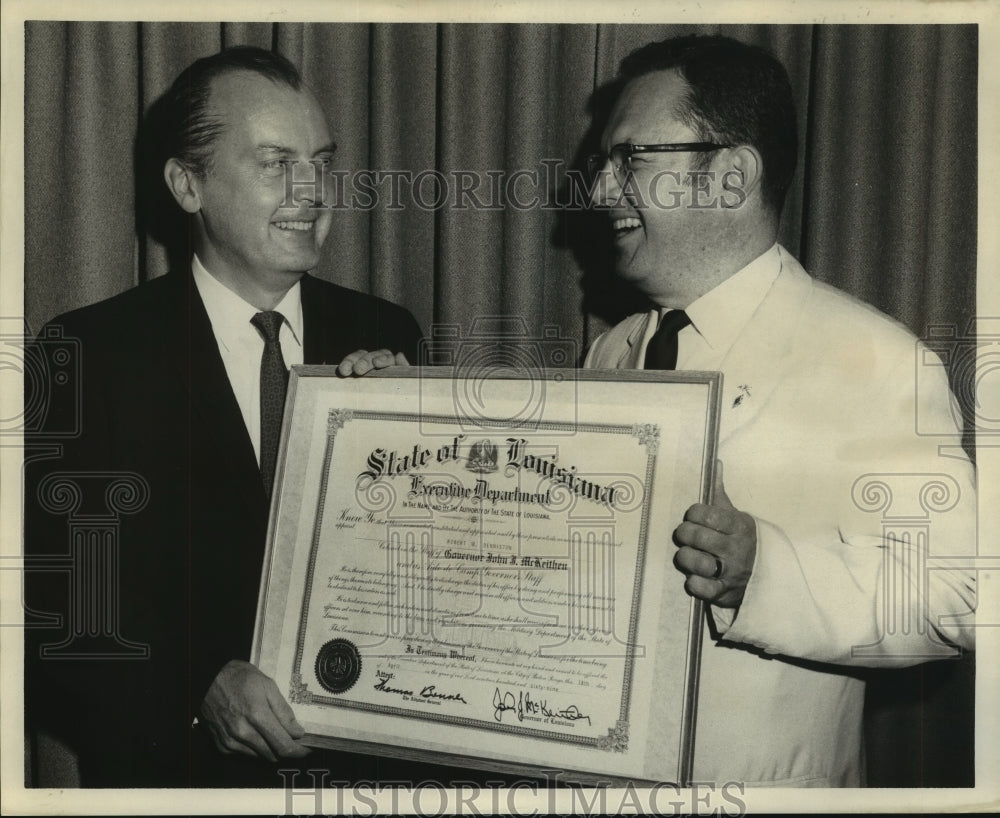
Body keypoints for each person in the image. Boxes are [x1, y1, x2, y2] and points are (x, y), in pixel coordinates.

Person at [583, 34, 976, 787]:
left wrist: (763, 576)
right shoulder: (611, 353)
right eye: (604, 164)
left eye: (630, 160)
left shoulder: (877, 360)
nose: (601, 191)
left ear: (731, 177)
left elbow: (958, 597)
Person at [23, 46, 423, 787]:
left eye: (323, 162)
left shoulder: (389, 335)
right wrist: (197, 688)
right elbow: (56, 609)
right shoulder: (85, 352)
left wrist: (418, 446)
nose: (313, 190)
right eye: (276, 162)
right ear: (187, 184)